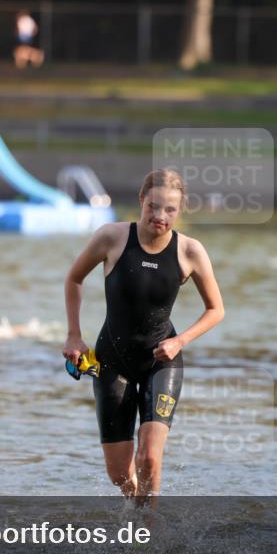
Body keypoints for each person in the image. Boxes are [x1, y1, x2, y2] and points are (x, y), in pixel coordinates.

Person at [63, 169, 225, 502]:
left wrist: (180, 341)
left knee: (149, 457)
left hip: (161, 363)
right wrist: (74, 336)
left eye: (170, 210)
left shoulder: (190, 251)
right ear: (141, 200)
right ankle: (137, 503)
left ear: (180, 211)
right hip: (111, 361)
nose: (160, 216)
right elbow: (74, 279)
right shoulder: (111, 238)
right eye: (153, 207)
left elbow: (216, 310)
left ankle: (149, 529)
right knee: (119, 475)